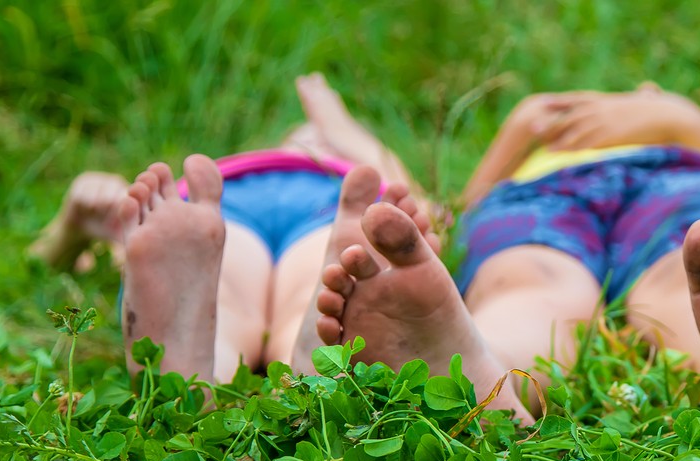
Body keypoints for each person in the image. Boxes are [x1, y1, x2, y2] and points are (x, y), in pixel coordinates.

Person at [314, 84, 700, 440]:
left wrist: (686, 123)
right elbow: (454, 218)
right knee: (528, 280)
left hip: (691, 178)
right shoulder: (533, 156)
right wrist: (516, 139)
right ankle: (477, 377)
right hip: (541, 190)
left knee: (692, 277)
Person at [31, 73, 429, 382]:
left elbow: (427, 215)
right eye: (304, 137)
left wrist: (346, 132)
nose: (315, 141)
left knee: (321, 280)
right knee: (237, 285)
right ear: (275, 143)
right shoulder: (203, 203)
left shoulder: (362, 185)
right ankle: (301, 369)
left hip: (333, 212)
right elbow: (50, 261)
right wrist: (73, 221)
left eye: (327, 142)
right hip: (226, 211)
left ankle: (236, 373)